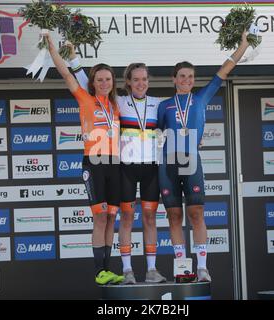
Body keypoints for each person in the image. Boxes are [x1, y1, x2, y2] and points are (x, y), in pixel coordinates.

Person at [157, 32, 250, 282]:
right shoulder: (163, 105)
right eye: (182, 76)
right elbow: (153, 134)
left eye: (190, 76)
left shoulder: (201, 97)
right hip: (168, 163)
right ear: (173, 79)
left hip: (192, 161)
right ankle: (181, 266)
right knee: (174, 215)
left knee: (196, 213)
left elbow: (225, 68)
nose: (186, 80)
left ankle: (202, 267)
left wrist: (243, 45)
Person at [67, 51, 166, 284]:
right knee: (125, 217)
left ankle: (151, 270)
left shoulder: (158, 104)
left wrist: (195, 137)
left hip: (151, 167)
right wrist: (73, 59)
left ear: (148, 82)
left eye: (145, 79)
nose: (141, 83)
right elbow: (87, 84)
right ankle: (127, 270)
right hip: (124, 167)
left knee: (150, 217)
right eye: (136, 79)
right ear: (127, 83)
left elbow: (174, 123)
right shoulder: (117, 101)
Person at [46, 34, 124, 285]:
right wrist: (51, 48)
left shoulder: (116, 105)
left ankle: (107, 269)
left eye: (107, 79)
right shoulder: (84, 98)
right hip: (94, 162)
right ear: (93, 82)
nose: (104, 83)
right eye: (99, 80)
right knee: (100, 216)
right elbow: (68, 74)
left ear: (113, 81)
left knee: (112, 216)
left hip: (115, 164)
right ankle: (98, 271)